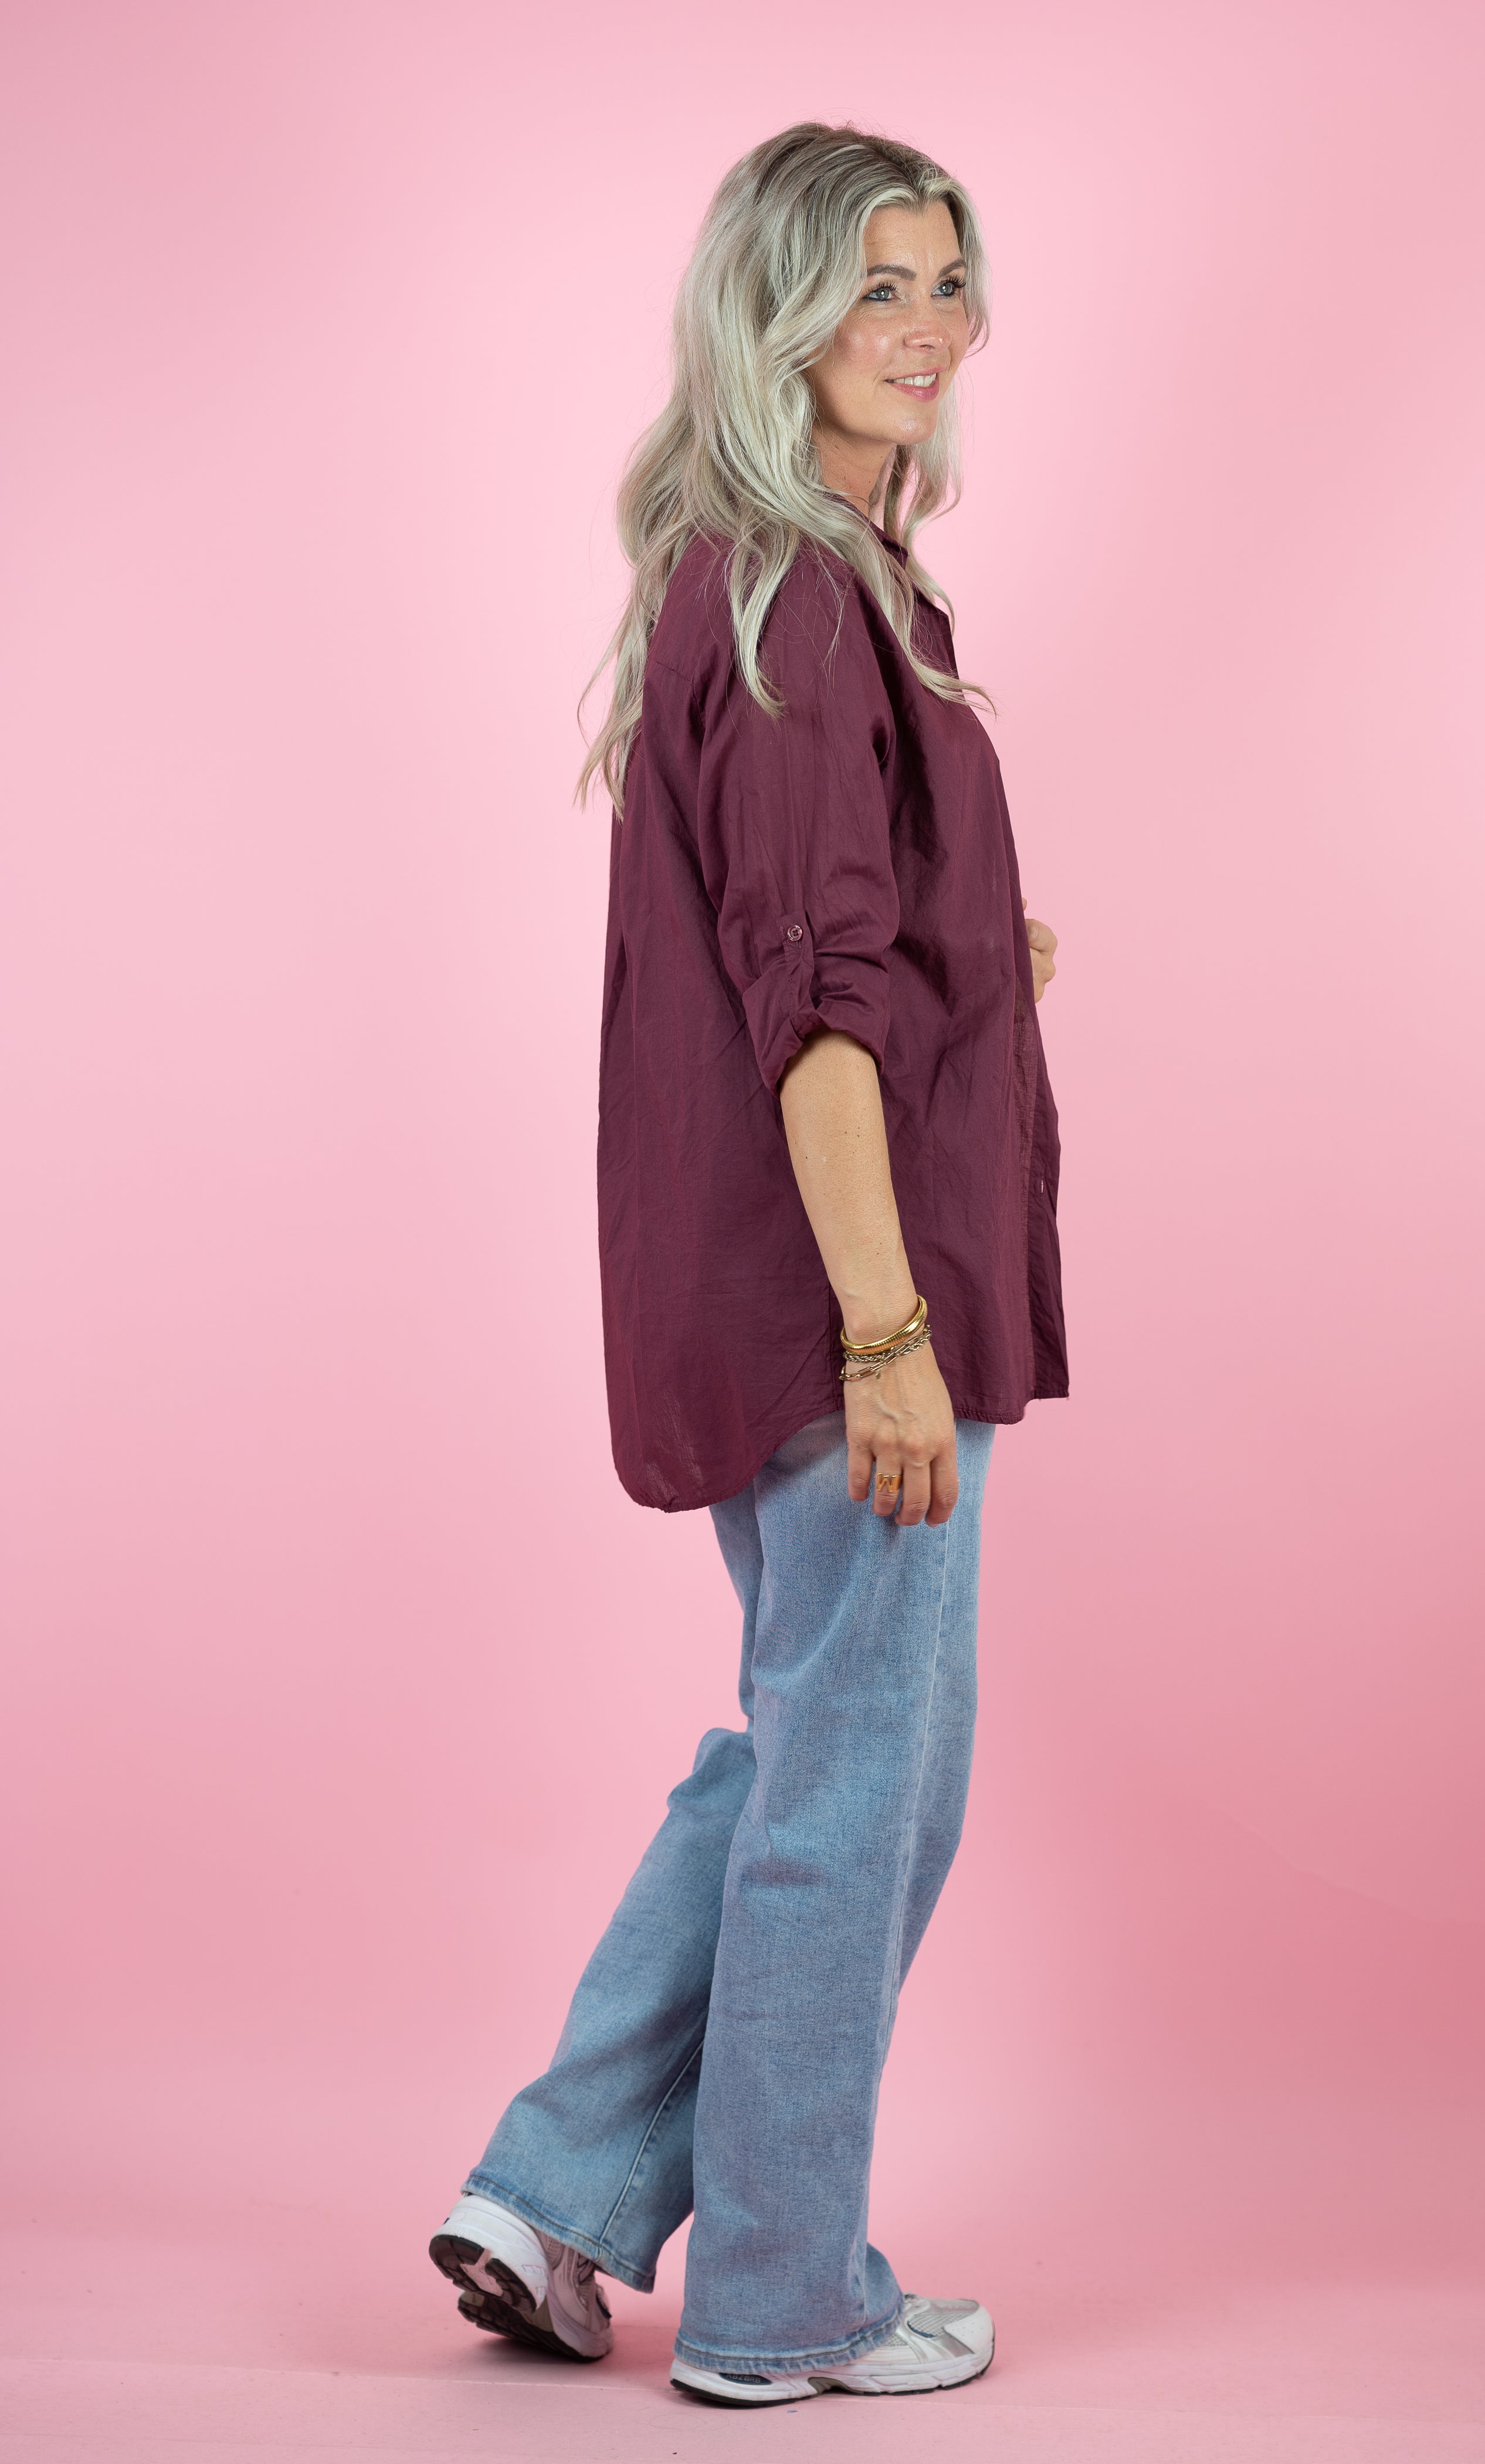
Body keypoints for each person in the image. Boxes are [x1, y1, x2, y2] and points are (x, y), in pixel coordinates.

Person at [428, 121, 1066, 2408]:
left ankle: (559, 2188)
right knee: (854, 1796)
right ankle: (786, 2297)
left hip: (794, 1277)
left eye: (947, 279)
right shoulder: (796, 592)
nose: (928, 324)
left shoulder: (789, 583)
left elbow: (816, 945)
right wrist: (888, 1332)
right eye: (875, 283)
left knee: (816, 1758)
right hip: (840, 1299)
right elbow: (812, 1014)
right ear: (773, 311)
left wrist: (987, 962)